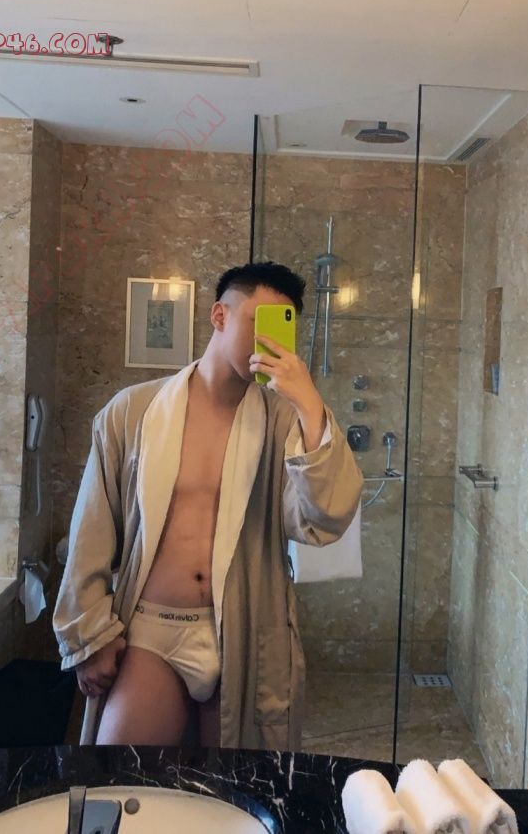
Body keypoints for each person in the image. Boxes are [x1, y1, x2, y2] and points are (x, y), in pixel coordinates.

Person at [53, 261, 363, 750]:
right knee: (124, 778)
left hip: (243, 629)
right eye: (258, 323)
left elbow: (325, 517)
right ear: (220, 316)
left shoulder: (285, 422)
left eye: (281, 330)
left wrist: (309, 406)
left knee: (232, 790)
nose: (268, 342)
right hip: (151, 630)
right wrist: (89, 633)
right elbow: (91, 530)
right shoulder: (132, 411)